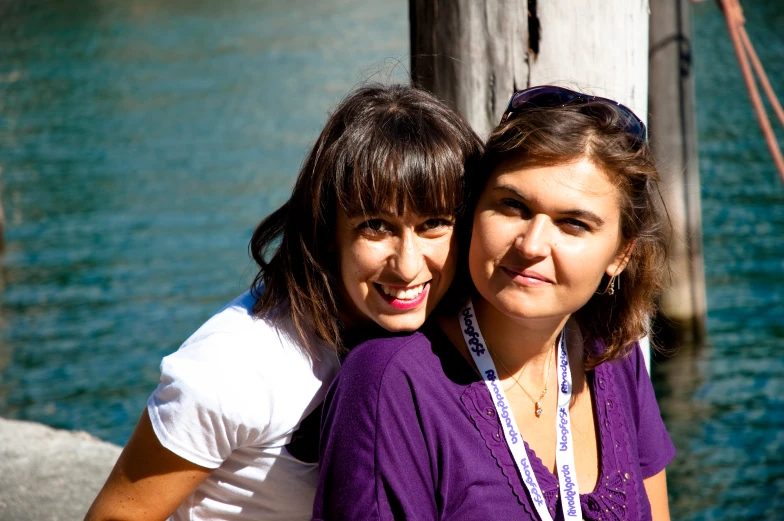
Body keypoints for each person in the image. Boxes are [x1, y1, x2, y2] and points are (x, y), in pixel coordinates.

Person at [84, 84, 483, 521]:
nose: (408, 267)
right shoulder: (233, 368)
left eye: (433, 224)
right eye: (376, 226)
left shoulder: (453, 322)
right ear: (329, 230)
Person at [314, 86, 676, 521]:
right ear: (473, 209)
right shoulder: (391, 383)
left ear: (620, 254)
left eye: (573, 224)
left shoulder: (613, 355)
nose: (532, 245)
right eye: (513, 206)